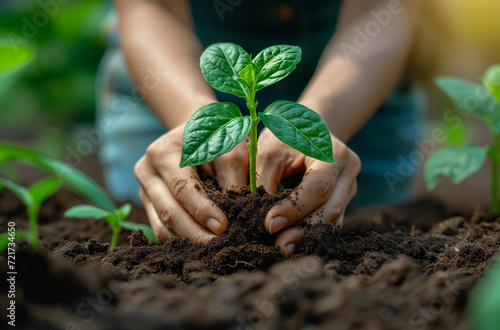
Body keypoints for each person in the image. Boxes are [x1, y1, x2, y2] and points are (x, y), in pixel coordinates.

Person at [96, 0, 424, 255]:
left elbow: (382, 10)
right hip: (166, 72)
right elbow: (151, 7)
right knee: (160, 218)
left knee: (357, 228)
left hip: (359, 81)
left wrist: (323, 119)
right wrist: (189, 117)